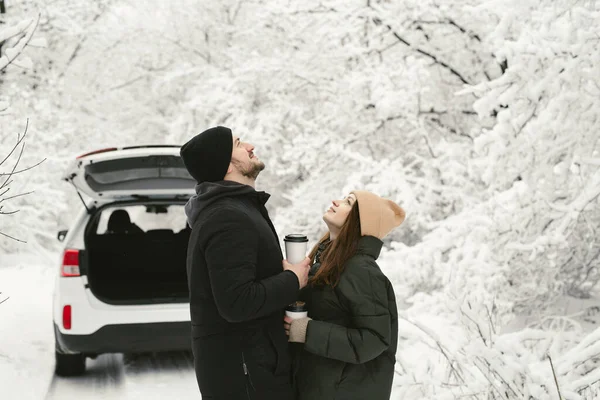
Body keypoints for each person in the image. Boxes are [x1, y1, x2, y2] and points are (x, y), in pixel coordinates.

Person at [180, 126, 311, 400]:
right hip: (245, 374)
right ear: (226, 166)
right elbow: (237, 302)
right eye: (239, 144)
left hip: (252, 367)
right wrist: (293, 280)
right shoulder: (228, 217)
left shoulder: (235, 210)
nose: (250, 145)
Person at [284, 191, 405, 400]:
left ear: (360, 222)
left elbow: (374, 339)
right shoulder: (327, 263)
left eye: (348, 202)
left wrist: (308, 330)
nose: (335, 201)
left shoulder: (361, 271)